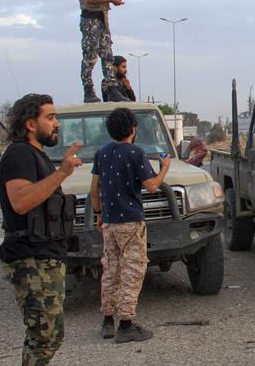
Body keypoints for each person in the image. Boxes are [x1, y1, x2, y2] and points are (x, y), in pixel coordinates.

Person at [0, 93, 82, 365]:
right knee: (44, 337)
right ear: (31, 124)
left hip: (44, 255)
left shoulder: (36, 155)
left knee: (49, 336)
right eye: (50, 117)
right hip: (30, 258)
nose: (56, 123)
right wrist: (62, 173)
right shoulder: (20, 154)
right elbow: (20, 202)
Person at [90, 107, 171, 343]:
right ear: (133, 129)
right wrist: (164, 167)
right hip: (131, 222)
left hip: (109, 223)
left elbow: (94, 189)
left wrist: (98, 213)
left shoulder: (101, 153)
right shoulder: (136, 153)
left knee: (110, 270)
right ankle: (126, 324)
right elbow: (152, 186)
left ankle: (107, 321)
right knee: (132, 272)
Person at [80, 0, 130, 104]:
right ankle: (88, 90)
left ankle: (113, 89)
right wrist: (110, 0)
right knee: (90, 57)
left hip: (101, 20)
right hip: (91, 19)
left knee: (107, 56)